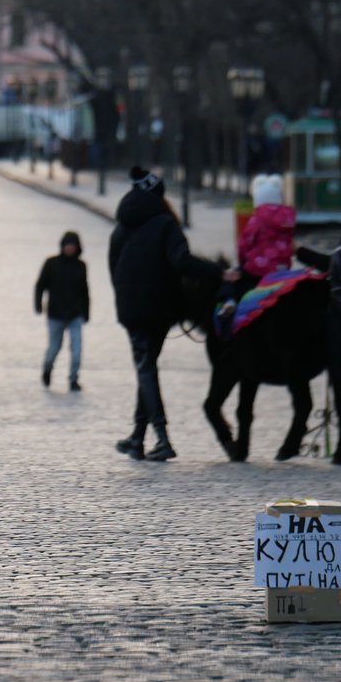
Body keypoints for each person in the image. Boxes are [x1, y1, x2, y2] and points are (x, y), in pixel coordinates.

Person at [108, 167, 225, 461]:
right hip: (161, 308)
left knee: (145, 367)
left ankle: (158, 438)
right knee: (147, 367)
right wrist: (221, 273)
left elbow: (113, 266)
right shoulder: (165, 224)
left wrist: (126, 295)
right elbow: (182, 262)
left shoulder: (122, 226)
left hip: (133, 308)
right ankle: (139, 437)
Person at [219, 174, 295, 320]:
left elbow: (244, 243)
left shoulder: (257, 218)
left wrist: (242, 263)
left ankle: (229, 302)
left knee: (230, 277)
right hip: (282, 269)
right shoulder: (288, 218)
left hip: (257, 269)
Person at [35, 230, 90, 392]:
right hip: (55, 314)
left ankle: (73, 379)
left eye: (73, 246)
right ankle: (47, 369)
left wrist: (86, 311)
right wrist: (38, 304)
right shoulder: (51, 263)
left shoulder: (81, 266)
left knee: (77, 349)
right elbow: (40, 285)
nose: (70, 249)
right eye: (68, 245)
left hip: (75, 314)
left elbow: (84, 290)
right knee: (54, 348)